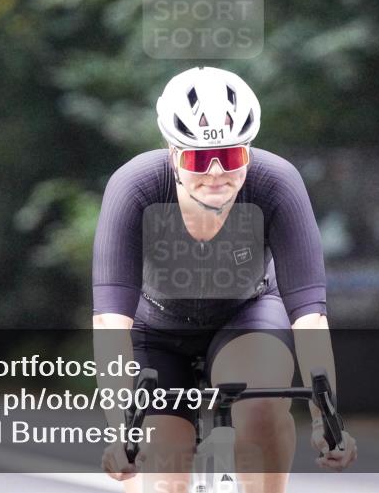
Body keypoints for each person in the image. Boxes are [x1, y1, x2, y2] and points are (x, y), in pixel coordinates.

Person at [93, 66, 357, 493]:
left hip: (247, 315)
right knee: (161, 477)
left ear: (248, 153)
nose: (216, 173)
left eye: (231, 157)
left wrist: (326, 422)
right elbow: (110, 323)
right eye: (198, 159)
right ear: (173, 155)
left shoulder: (277, 183)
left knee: (262, 407)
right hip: (156, 331)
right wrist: (121, 430)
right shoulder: (135, 187)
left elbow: (309, 317)